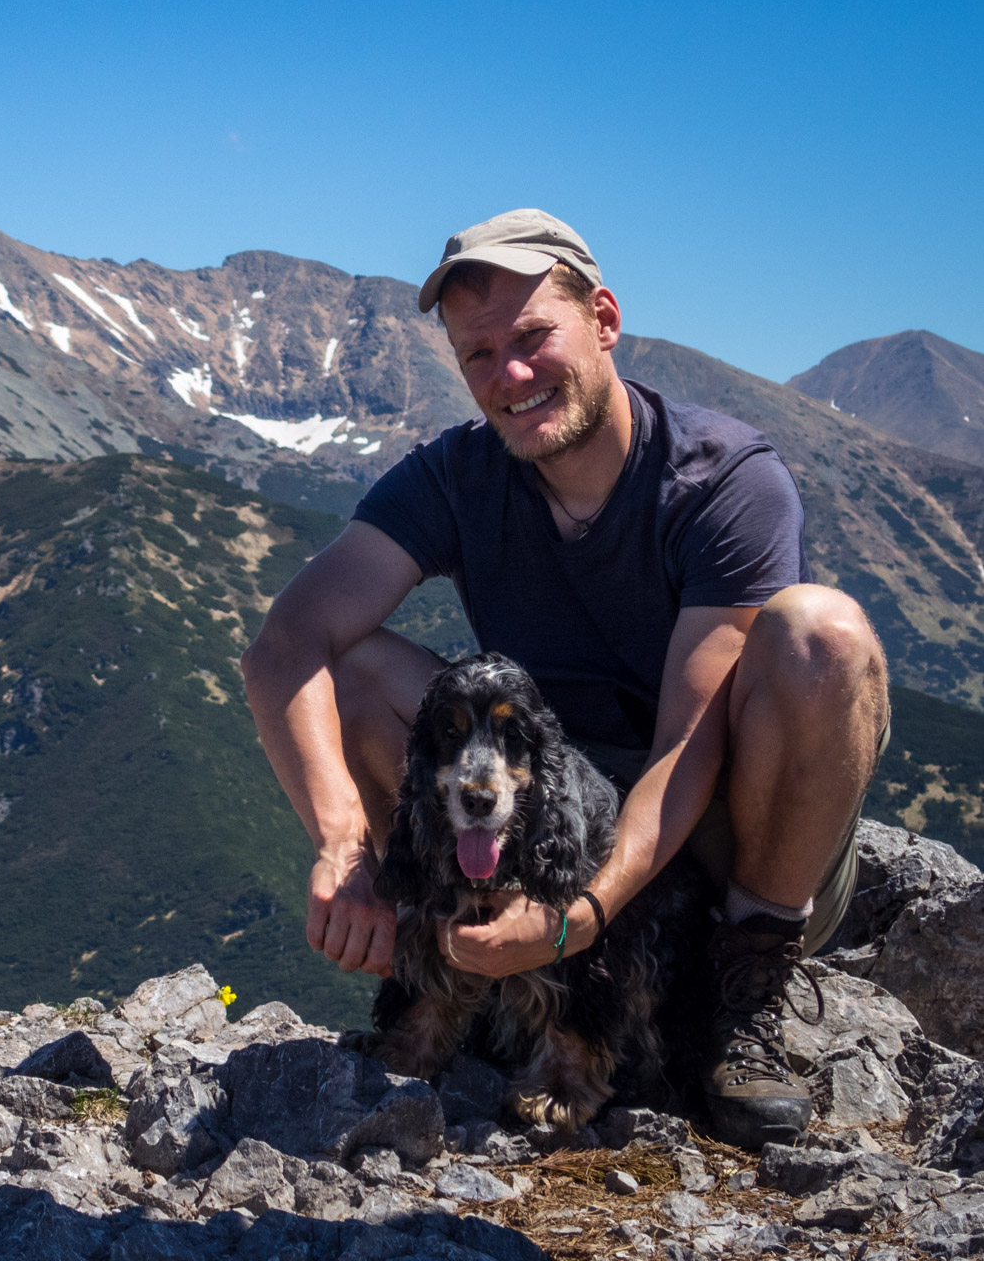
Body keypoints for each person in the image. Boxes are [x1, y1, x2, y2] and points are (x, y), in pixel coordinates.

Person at [239, 209, 890, 1150]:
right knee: (352, 671)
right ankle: (457, 965)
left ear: (605, 319)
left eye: (534, 337)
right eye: (479, 354)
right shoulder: (456, 475)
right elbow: (284, 645)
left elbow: (686, 748)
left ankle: (747, 984)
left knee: (821, 632)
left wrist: (580, 917)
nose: (510, 375)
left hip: (723, 821)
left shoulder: (721, 480)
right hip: (547, 812)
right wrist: (343, 845)